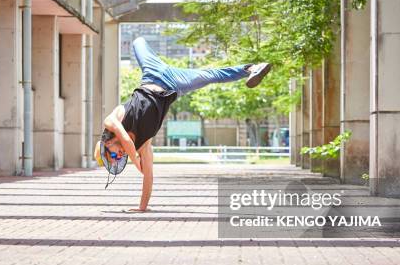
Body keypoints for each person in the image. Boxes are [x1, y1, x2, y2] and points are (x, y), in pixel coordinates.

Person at [94, 37, 272, 211]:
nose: (121, 156)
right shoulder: (144, 145)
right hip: (174, 84)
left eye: (115, 156)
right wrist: (142, 207)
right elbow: (148, 177)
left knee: (137, 41)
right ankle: (251, 69)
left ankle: (254, 68)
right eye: (120, 159)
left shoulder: (112, 121)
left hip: (152, 73)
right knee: (210, 75)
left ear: (107, 143)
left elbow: (125, 139)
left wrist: (135, 160)